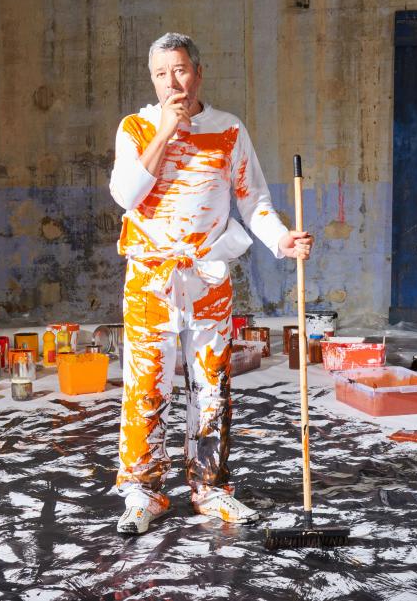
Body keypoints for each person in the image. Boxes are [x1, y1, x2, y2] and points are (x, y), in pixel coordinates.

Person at [109, 32, 313, 535]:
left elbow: (253, 199)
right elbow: (126, 196)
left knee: (212, 386)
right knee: (145, 386)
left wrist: (281, 239)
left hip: (207, 276)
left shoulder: (228, 130)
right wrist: (165, 133)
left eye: (179, 70)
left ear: (198, 73)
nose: (170, 82)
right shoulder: (136, 127)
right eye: (160, 74)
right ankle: (143, 493)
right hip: (150, 280)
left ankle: (211, 488)